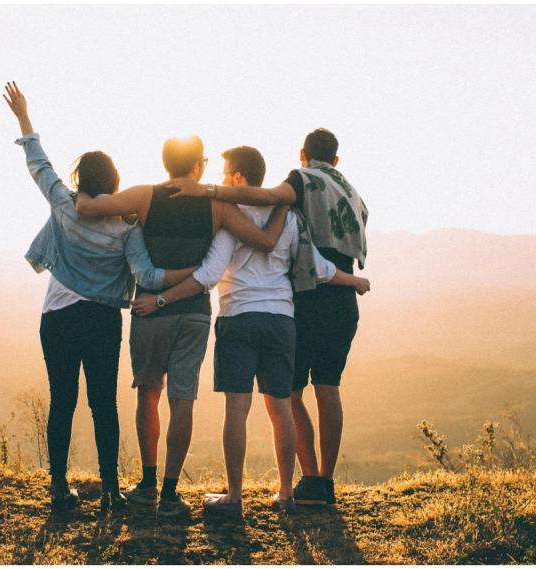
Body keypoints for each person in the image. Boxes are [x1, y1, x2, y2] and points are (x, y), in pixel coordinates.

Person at [131, 146, 369, 516]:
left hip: (239, 317)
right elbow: (317, 266)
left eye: (227, 173)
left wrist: (161, 298)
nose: (223, 179)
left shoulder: (231, 218)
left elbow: (208, 275)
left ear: (239, 178)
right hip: (281, 320)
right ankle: (287, 494)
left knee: (237, 410)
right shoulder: (287, 217)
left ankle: (235, 498)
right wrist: (352, 280)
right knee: (281, 409)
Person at [3, 82, 197, 518]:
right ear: (114, 182)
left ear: (80, 180)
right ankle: (110, 490)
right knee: (103, 403)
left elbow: (39, 165)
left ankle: (58, 488)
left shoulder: (65, 205)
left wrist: (24, 117)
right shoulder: (126, 226)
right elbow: (145, 275)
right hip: (103, 319)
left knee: (62, 400)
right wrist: (196, 274)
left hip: (57, 315)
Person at [75, 137, 288, 517]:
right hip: (193, 314)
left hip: (148, 312)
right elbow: (264, 241)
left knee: (148, 393)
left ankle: (147, 484)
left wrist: (81, 194)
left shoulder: (143, 196)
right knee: (182, 399)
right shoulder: (216, 206)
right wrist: (285, 204)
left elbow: (91, 207)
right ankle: (171, 494)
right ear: (198, 168)